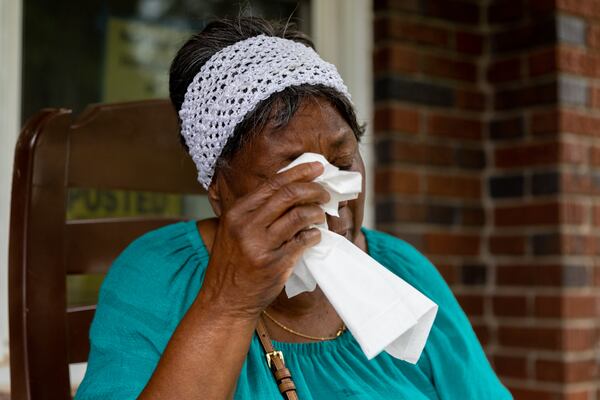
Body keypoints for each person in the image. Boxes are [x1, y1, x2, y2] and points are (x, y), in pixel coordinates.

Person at [76, 17, 512, 400]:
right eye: (291, 180)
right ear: (219, 191)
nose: (331, 208)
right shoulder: (156, 277)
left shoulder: (403, 277)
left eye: (342, 165)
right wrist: (231, 301)